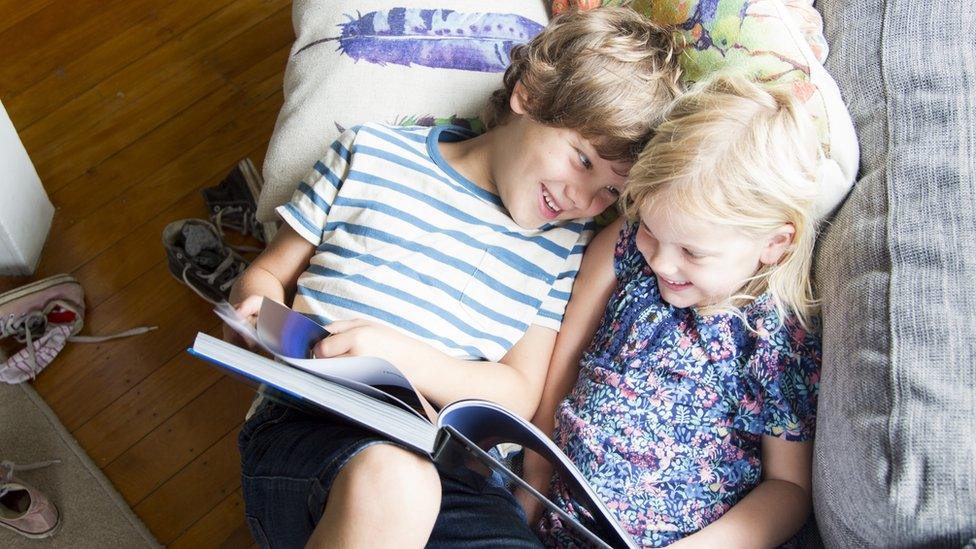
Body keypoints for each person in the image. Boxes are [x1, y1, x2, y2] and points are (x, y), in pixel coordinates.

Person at [227, 8, 682, 548]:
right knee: (398, 483)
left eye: (609, 192)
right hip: (314, 430)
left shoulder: (563, 248)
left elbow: (517, 392)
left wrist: (407, 359)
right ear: (530, 94)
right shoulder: (370, 153)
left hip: (457, 475)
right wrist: (254, 308)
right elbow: (267, 274)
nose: (582, 200)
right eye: (582, 160)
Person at [517, 73, 823, 548]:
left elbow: (789, 488)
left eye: (692, 253)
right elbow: (564, 364)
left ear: (774, 244)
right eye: (652, 231)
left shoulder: (774, 338)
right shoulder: (625, 246)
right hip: (552, 511)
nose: (660, 260)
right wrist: (533, 478)